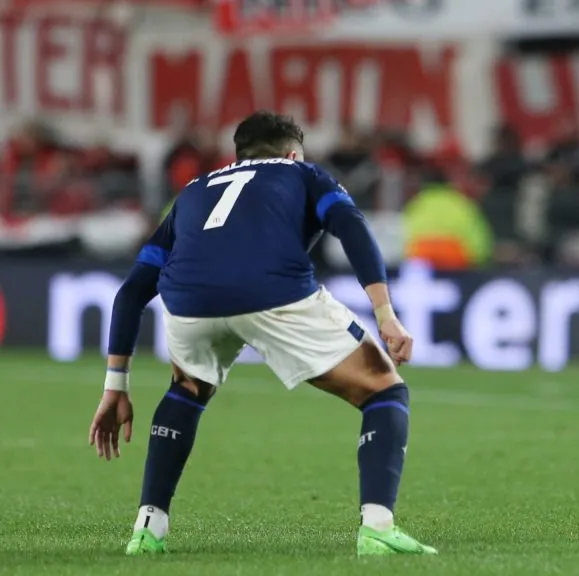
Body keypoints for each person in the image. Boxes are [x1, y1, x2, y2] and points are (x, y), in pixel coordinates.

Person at [87, 111, 437, 556]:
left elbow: (134, 289)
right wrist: (386, 314)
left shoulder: (194, 191)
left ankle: (147, 530)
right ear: (292, 152)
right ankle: (377, 528)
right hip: (274, 292)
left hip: (189, 303)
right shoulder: (303, 172)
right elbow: (351, 226)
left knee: (187, 389)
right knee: (384, 390)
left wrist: (115, 384)